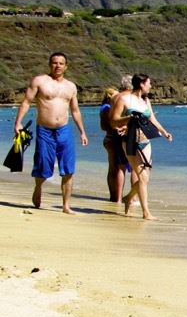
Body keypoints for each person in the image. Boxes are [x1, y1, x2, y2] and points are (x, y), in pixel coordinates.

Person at [13, 52, 89, 213]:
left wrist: (82, 132)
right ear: (50, 64)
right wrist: (18, 123)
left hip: (64, 130)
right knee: (43, 165)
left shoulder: (71, 86)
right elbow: (26, 102)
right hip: (44, 130)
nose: (58, 66)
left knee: (68, 169)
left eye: (61, 63)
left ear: (66, 66)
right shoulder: (40, 81)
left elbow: (75, 110)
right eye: (55, 63)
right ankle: (38, 186)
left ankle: (66, 205)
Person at [110, 73, 172, 220]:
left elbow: (152, 119)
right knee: (142, 177)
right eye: (149, 83)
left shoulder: (145, 100)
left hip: (146, 140)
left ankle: (128, 197)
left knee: (146, 177)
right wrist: (129, 118)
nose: (150, 86)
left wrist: (164, 132)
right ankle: (146, 212)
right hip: (130, 141)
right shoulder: (124, 99)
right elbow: (113, 121)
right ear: (142, 84)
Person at [100, 76, 134, 202]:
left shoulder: (112, 104)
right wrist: (122, 126)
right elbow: (105, 125)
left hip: (114, 138)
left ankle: (116, 197)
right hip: (114, 138)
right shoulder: (107, 107)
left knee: (116, 168)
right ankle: (117, 196)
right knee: (117, 168)